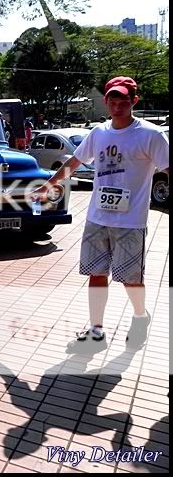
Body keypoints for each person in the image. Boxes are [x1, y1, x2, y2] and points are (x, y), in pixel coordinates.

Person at [31, 77, 169, 354]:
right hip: (97, 219)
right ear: (105, 101)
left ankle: (140, 316)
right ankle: (96, 332)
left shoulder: (151, 135)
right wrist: (50, 185)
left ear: (134, 102)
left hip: (131, 222)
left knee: (131, 279)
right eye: (113, 101)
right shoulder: (99, 133)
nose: (118, 107)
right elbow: (76, 161)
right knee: (96, 275)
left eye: (124, 102)